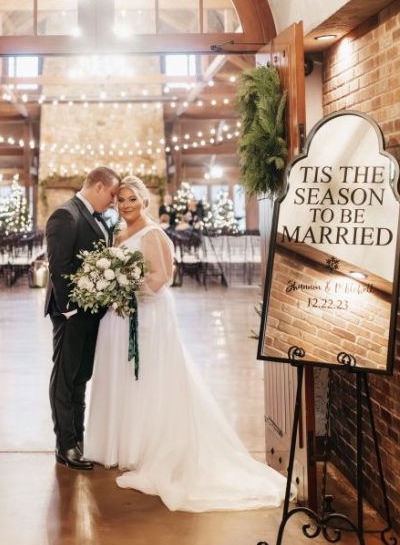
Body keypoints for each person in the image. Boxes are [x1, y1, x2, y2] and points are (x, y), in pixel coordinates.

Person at [84, 175, 287, 511]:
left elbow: (162, 276)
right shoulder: (118, 234)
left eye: (131, 199)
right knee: (121, 376)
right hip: (118, 316)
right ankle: (120, 446)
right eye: (120, 200)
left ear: (144, 201)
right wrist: (111, 290)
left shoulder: (153, 234)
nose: (125, 205)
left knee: (147, 377)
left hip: (146, 316)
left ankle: (144, 447)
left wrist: (127, 289)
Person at [45, 166, 121, 471]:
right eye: (113, 194)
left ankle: (77, 438)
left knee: (80, 376)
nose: (114, 202)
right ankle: (65, 445)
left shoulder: (93, 216)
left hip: (91, 312)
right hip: (71, 313)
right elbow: (58, 268)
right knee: (65, 377)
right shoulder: (66, 215)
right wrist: (69, 311)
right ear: (100, 187)